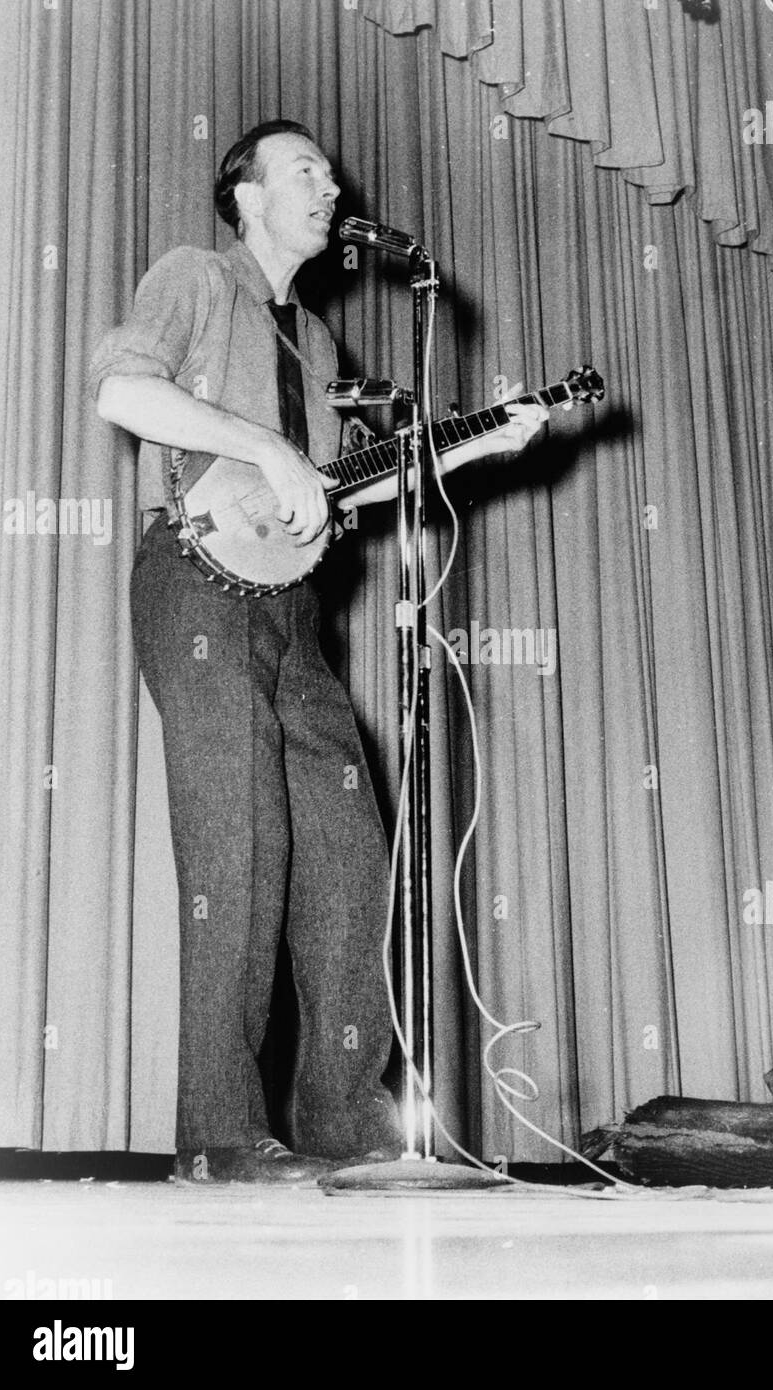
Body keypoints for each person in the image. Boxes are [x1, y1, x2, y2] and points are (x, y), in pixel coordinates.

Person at [90, 119, 545, 1184]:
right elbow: (121, 390)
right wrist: (263, 445)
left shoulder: (323, 348)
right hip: (193, 584)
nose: (328, 182)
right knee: (235, 851)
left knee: (349, 854)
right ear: (245, 196)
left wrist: (478, 438)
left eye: (329, 172)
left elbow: (345, 485)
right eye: (303, 169)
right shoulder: (195, 276)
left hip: (293, 614)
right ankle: (218, 1137)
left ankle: (347, 1125)